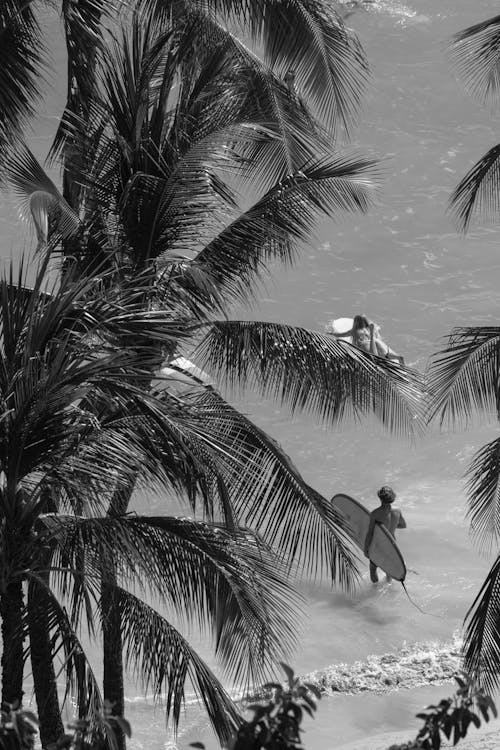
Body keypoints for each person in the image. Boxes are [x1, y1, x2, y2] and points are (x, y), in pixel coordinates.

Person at [363, 485, 407, 583]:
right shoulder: (397, 511)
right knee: (389, 568)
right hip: (392, 544)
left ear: (380, 498)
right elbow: (403, 525)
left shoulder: (375, 513)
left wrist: (366, 549)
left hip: (379, 545)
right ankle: (388, 586)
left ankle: (374, 590)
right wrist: (392, 526)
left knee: (373, 568)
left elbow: (370, 533)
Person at [328, 314, 405, 365]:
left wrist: (331, 333)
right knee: (392, 356)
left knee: (375, 359)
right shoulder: (367, 329)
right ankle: (403, 368)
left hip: (367, 346)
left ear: (355, 323)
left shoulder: (354, 331)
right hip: (376, 343)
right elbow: (378, 338)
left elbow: (341, 335)